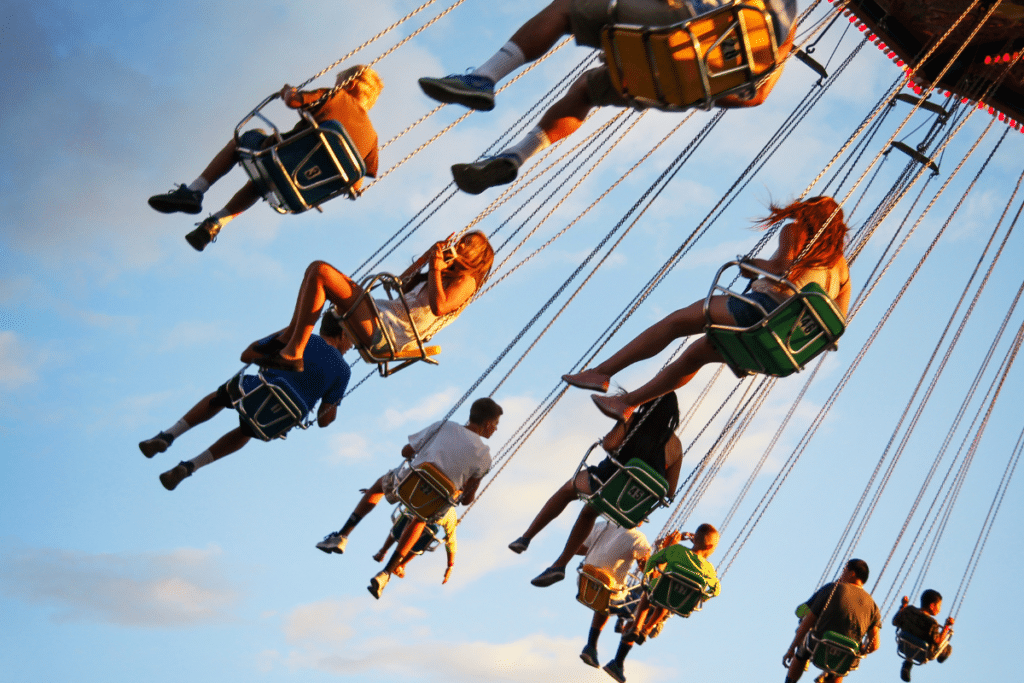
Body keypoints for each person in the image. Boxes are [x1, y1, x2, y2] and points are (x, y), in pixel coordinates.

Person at [418, 0, 797, 194]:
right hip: (687, 83)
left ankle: (484, 78)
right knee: (587, 91)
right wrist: (701, 94)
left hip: (682, 27)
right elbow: (757, 96)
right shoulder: (786, 25)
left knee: (568, 8)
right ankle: (516, 157)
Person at [562, 196, 851, 422]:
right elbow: (835, 328)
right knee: (694, 357)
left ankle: (601, 373)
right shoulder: (841, 268)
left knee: (676, 322)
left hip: (759, 315)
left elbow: (781, 268)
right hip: (782, 346)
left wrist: (749, 265)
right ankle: (625, 404)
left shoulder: (796, 231)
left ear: (809, 215)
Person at [148, 65, 382, 251]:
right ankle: (214, 225)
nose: (335, 86)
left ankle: (194, 191)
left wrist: (288, 91)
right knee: (263, 182)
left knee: (244, 141)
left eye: (338, 83)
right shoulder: (372, 139)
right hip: (303, 189)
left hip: (278, 155)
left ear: (350, 84)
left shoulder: (337, 96)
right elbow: (357, 183)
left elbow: (293, 101)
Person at [314, 397, 503, 598]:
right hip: (431, 503)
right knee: (421, 518)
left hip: (407, 484)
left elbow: (406, 451)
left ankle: (342, 535)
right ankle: (386, 573)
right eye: (496, 425)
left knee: (380, 485)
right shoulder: (484, 457)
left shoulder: (444, 426)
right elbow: (466, 499)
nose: (496, 430)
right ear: (487, 424)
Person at [138, 315, 351, 491]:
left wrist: (278, 352)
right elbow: (325, 420)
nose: (351, 345)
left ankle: (168, 435)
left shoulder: (300, 338)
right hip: (279, 418)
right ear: (342, 333)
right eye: (351, 338)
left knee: (220, 397)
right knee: (246, 432)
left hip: (258, 390)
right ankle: (190, 466)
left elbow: (248, 354)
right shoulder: (343, 370)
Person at [250, 231, 494, 373]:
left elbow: (439, 306)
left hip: (387, 333)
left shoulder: (467, 281)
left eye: (467, 243)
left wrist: (434, 269)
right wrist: (426, 258)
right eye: (461, 239)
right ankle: (290, 343)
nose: (459, 244)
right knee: (317, 271)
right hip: (378, 314)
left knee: (322, 271)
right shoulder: (439, 274)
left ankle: (293, 351)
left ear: (476, 255)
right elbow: (399, 282)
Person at [509, 393, 682, 587]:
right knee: (589, 512)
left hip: (605, 483)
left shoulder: (633, 420)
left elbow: (609, 445)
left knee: (567, 490)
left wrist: (621, 422)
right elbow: (670, 490)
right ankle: (559, 565)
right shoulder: (676, 445)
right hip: (631, 505)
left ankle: (526, 537)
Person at [602, 524, 720, 683]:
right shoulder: (709, 569)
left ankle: (638, 627)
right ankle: (647, 628)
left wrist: (647, 576)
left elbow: (654, 560)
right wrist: (702, 598)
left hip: (658, 591)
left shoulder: (677, 551)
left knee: (649, 593)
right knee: (666, 603)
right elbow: (716, 589)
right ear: (710, 546)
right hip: (677, 602)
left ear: (694, 538)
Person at [783, 559, 882, 683]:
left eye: (844, 570)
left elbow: (807, 621)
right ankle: (832, 674)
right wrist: (860, 650)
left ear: (851, 573)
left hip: (820, 642)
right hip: (846, 653)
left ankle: (790, 681)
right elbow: (874, 645)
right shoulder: (873, 606)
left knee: (803, 647)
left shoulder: (833, 588)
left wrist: (791, 649)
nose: (841, 574)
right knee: (842, 665)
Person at [575, 520, 652, 669]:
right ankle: (618, 662)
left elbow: (579, 549)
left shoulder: (601, 525)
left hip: (584, 582)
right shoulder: (638, 538)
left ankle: (591, 645)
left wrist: (601, 550)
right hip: (610, 593)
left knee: (606, 589)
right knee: (641, 604)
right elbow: (647, 571)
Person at [367, 507, 458, 583]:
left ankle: (383, 551)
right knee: (431, 531)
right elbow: (451, 542)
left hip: (403, 524)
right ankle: (401, 564)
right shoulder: (451, 513)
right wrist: (450, 565)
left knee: (408, 512)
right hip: (419, 536)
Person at [892, 589, 953, 681]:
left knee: (913, 642)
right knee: (947, 646)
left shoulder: (909, 610)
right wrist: (947, 627)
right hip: (924, 652)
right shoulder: (932, 624)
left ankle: (907, 665)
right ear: (932, 606)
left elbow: (895, 622)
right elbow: (938, 641)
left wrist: (903, 605)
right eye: (939, 606)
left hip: (904, 643)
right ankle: (943, 655)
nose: (940, 609)